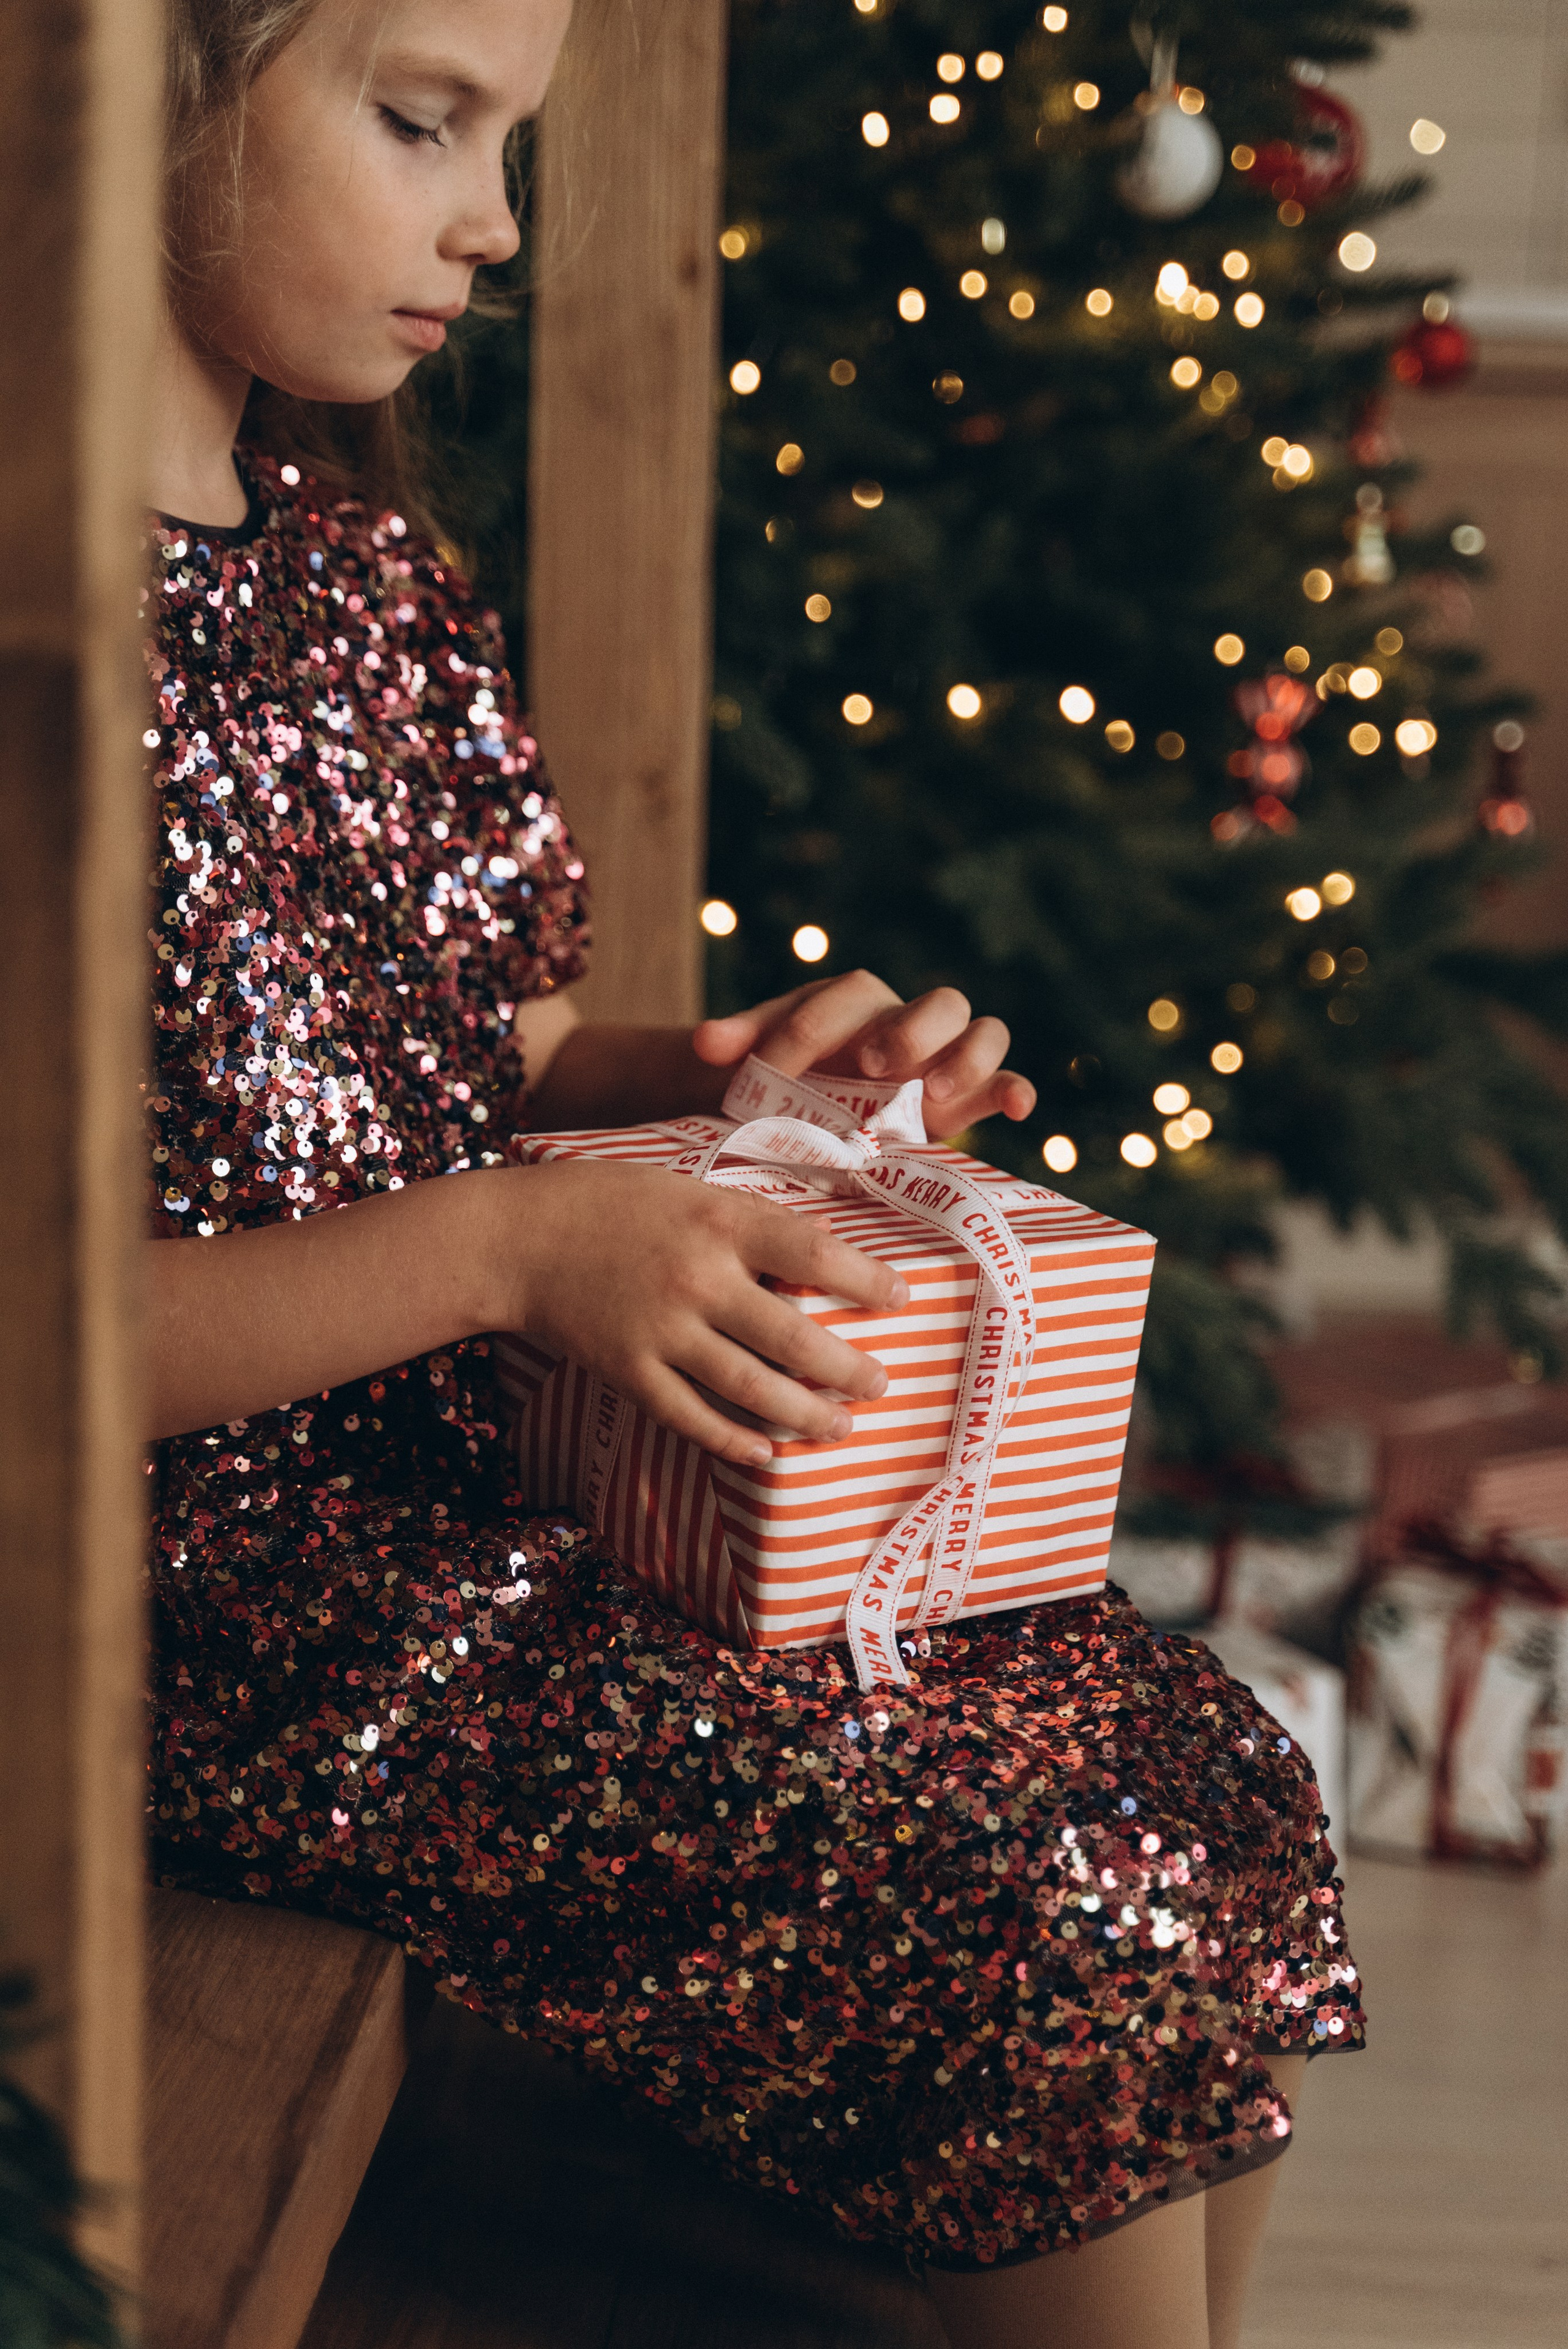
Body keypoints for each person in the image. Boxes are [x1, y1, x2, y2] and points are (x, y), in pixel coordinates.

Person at [145, 4, 1364, 2343]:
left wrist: (716, 1072)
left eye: (512, 142)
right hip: (209, 1610)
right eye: (420, 124)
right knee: (1013, 1906)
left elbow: (471, 1050)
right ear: (132, 89)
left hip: (482, 1503)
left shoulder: (362, 576)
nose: (494, 219)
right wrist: (514, 1244)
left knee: (1192, 1769)